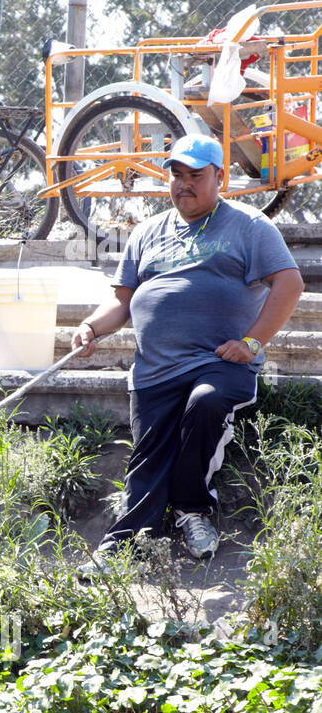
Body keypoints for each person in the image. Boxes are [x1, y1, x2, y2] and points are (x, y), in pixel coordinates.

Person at [73, 133, 303, 567]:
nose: (183, 185)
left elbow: (290, 283)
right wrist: (89, 327)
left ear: (220, 177)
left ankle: (192, 509)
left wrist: (252, 341)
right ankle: (121, 548)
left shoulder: (248, 225)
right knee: (149, 456)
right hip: (155, 371)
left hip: (218, 363)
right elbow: (122, 300)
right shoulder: (147, 232)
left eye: (195, 176)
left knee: (206, 404)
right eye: (176, 175)